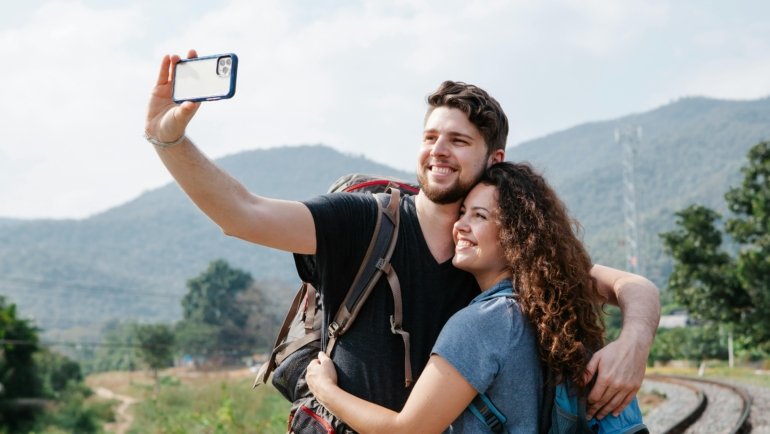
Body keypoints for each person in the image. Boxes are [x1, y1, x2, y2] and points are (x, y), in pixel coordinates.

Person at [143, 50, 660, 426]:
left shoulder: (497, 252)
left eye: (458, 141)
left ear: (492, 161)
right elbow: (242, 213)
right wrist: (167, 139)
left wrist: (632, 345)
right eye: (430, 136)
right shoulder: (361, 223)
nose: (439, 150)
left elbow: (633, 287)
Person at [305, 162, 648, 433]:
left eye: (479, 216)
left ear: (517, 235)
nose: (460, 226)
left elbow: (406, 430)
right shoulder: (554, 309)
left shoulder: (482, 323)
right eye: (463, 212)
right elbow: (634, 286)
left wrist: (325, 390)